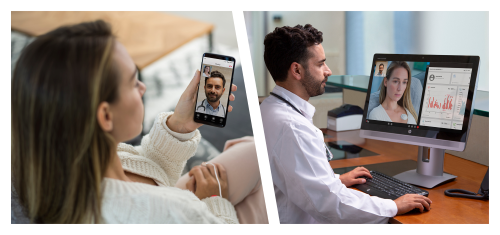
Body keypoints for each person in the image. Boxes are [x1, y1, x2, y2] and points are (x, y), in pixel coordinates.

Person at [11, 20, 267, 224]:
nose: (144, 87)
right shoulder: (175, 213)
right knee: (264, 194)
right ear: (106, 116)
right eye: (134, 82)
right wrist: (212, 200)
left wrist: (178, 126)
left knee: (255, 152)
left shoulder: (71, 164)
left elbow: (148, 175)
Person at [260, 24, 432, 224]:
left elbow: (294, 175)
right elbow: (332, 204)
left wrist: (335, 181)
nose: (328, 71)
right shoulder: (293, 128)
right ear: (297, 70)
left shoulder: (269, 109)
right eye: (321, 64)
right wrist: (394, 206)